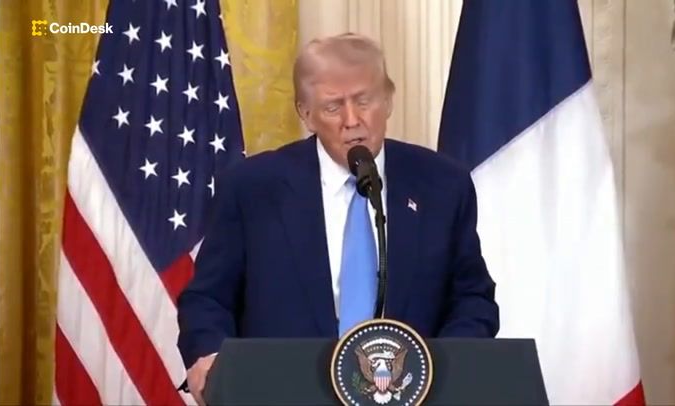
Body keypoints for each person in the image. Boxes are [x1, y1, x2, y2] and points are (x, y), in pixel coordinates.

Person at [176, 33, 499, 405]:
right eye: (333, 107)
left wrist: (441, 370)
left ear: (388, 99)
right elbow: (208, 298)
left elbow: (473, 298)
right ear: (305, 113)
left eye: (364, 100)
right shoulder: (252, 188)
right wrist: (213, 357)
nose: (352, 120)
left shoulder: (442, 185)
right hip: (281, 394)